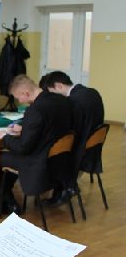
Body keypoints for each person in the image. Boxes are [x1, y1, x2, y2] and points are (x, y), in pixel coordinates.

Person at [0, 75, 73, 214]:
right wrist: (25, 130)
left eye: (18, 98)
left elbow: (22, 148)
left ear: (26, 93)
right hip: (58, 160)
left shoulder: (35, 110)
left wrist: (4, 136)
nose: (19, 102)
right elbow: (49, 128)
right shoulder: (61, 100)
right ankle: (2, 198)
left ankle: (8, 202)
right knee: (7, 158)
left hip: (37, 163)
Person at [39, 71, 104, 204]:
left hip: (81, 149)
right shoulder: (92, 92)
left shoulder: (74, 101)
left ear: (59, 86)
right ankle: (67, 186)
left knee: (52, 152)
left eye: (52, 93)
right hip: (92, 145)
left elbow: (71, 131)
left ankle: (65, 189)